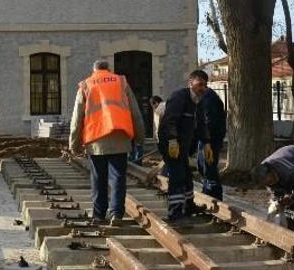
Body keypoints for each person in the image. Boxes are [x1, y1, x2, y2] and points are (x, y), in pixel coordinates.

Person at [69, 60, 145, 226]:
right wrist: (140, 138)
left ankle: (98, 215)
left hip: (96, 139)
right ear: (109, 70)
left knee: (98, 179)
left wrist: (73, 144)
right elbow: (135, 112)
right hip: (120, 137)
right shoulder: (121, 82)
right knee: (118, 177)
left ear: (94, 70)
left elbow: (77, 118)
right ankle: (117, 214)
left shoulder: (86, 85)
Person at [157, 70, 208, 223]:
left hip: (183, 146)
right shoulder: (179, 97)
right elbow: (170, 121)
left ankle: (188, 205)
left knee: (186, 174)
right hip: (170, 143)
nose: (203, 88)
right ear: (190, 83)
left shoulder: (198, 101)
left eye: (205, 85)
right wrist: (172, 141)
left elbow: (200, 125)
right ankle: (175, 212)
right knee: (177, 176)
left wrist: (207, 142)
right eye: (200, 84)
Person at [195, 87, 226, 200]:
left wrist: (207, 141)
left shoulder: (208, 98)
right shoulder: (204, 97)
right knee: (203, 166)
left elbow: (208, 121)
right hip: (207, 138)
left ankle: (214, 195)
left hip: (210, 139)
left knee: (208, 167)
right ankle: (207, 192)